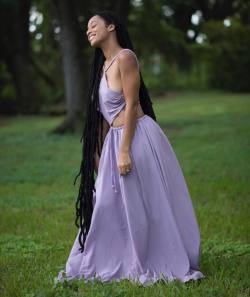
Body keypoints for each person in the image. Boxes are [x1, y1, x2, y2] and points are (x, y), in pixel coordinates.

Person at [57, 10, 205, 286]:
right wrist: (100, 155)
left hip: (137, 137)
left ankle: (157, 255)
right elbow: (101, 116)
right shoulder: (101, 67)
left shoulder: (125, 57)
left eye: (93, 25)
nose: (88, 30)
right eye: (86, 28)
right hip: (115, 141)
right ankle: (110, 256)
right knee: (107, 202)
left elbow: (131, 105)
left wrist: (124, 151)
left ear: (111, 26)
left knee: (146, 203)